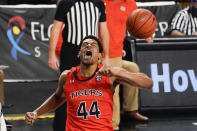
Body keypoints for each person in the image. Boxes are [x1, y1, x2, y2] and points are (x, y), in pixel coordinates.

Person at [25, 35, 153, 131]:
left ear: (99, 56)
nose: (88, 46)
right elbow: (57, 97)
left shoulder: (111, 75)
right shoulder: (67, 76)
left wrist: (120, 73)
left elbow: (148, 83)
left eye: (93, 45)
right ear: (79, 54)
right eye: (85, 44)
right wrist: (36, 112)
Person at [48, 0, 110, 130]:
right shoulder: (65, 3)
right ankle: (60, 127)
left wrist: (106, 56)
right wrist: (51, 54)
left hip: (91, 52)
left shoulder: (98, 3)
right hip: (71, 50)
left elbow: (103, 30)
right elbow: (56, 28)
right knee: (66, 90)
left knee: (92, 91)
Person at [103, 0, 154, 130]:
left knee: (133, 69)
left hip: (116, 53)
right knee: (113, 86)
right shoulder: (100, 2)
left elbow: (135, 24)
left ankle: (129, 110)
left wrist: (146, 33)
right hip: (103, 54)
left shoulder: (129, 3)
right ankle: (113, 125)